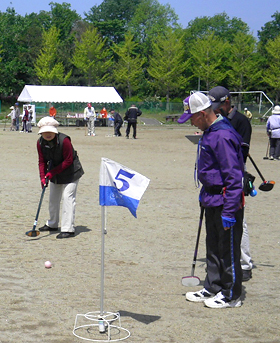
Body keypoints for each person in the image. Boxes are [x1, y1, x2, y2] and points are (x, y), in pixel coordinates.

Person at [178, 92, 244, 308]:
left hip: (226, 200)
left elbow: (234, 176)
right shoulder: (209, 132)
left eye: (192, 118)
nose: (191, 123)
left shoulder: (223, 135)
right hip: (211, 197)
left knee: (228, 249)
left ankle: (231, 294)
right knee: (213, 245)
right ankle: (213, 286)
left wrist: (229, 210)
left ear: (203, 114)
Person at [208, 86, 253, 282]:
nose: (215, 110)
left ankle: (245, 263)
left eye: (218, 106)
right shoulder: (218, 121)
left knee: (237, 222)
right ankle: (222, 266)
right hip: (220, 175)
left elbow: (240, 152)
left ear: (227, 102)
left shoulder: (241, 121)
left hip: (233, 175)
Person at [37, 117, 84, 239]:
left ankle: (68, 229)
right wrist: (43, 177)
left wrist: (52, 172)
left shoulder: (65, 141)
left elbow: (68, 160)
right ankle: (52, 223)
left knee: (67, 197)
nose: (47, 134)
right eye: (44, 132)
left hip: (72, 172)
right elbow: (42, 161)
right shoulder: (40, 142)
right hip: (55, 172)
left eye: (50, 132)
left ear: (55, 131)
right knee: (53, 198)